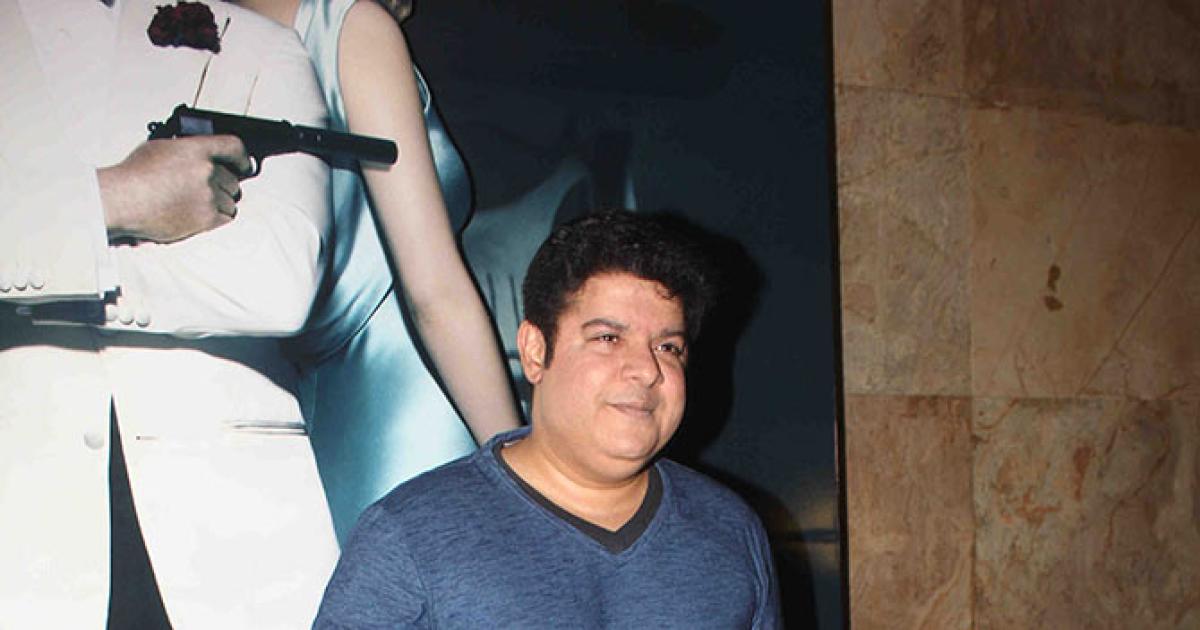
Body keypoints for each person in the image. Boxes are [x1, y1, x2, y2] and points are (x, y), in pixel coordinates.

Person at [0, 1, 338, 627]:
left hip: (232, 541)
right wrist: (114, 197)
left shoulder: (258, 45)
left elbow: (278, 281)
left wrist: (37, 272)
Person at [314, 210, 783, 628]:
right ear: (536, 351)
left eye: (668, 347)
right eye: (608, 338)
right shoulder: (411, 534)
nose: (646, 369)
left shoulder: (729, 530)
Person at [235, 0, 522, 541]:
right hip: (416, 408)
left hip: (288, 426)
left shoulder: (194, 33)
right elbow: (435, 293)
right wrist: (526, 479)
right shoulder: (351, 26)